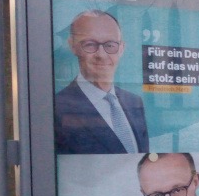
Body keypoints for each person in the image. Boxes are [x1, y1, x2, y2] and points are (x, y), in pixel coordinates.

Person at [55, 10, 149, 154]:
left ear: (121, 49)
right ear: (73, 46)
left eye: (110, 45)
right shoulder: (57, 108)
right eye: (90, 44)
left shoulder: (134, 102)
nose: (101, 55)